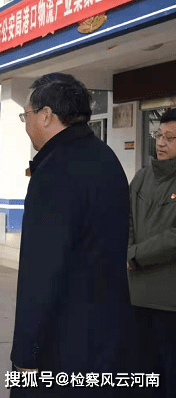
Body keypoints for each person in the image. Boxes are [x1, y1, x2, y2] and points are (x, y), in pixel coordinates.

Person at [10, 73, 140, 397]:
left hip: (62, 346)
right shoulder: (107, 159)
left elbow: (41, 272)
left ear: (46, 115)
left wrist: (28, 354)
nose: (25, 124)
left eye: (25, 115)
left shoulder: (54, 172)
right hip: (107, 336)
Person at [128, 107, 176, 398]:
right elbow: (127, 220)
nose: (161, 142)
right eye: (159, 134)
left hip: (169, 303)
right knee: (141, 376)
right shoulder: (142, 178)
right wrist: (129, 251)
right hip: (136, 298)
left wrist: (135, 255)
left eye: (170, 137)